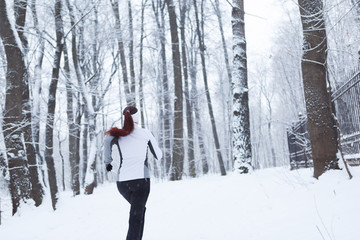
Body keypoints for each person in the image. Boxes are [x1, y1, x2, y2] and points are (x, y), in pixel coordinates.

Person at [104, 106, 162, 240]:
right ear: (137, 119)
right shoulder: (145, 133)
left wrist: (108, 162)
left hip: (123, 184)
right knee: (136, 215)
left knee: (139, 212)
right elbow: (158, 155)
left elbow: (107, 140)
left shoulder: (118, 134)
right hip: (141, 182)